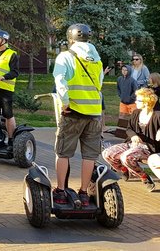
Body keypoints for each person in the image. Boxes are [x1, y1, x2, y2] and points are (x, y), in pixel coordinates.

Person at [52, 23, 104, 207]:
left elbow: (60, 82)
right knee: (89, 156)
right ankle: (83, 192)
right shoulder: (97, 59)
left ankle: (60, 191)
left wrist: (64, 103)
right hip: (94, 113)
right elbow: (99, 84)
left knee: (63, 152)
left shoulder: (66, 56)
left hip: (73, 111)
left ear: (70, 38)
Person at [102, 88, 160, 192]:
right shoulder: (136, 113)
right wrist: (133, 136)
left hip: (147, 148)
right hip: (132, 144)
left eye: (138, 100)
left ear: (146, 102)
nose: (135, 102)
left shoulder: (158, 116)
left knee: (126, 157)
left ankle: (144, 177)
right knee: (107, 153)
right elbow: (129, 129)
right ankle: (123, 169)